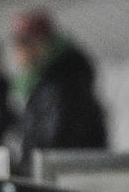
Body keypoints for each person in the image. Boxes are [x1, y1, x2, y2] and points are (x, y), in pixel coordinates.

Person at [7, 9, 107, 173]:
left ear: (41, 43)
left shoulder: (61, 84)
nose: (17, 50)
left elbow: (54, 140)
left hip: (67, 176)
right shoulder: (44, 81)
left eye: (22, 42)